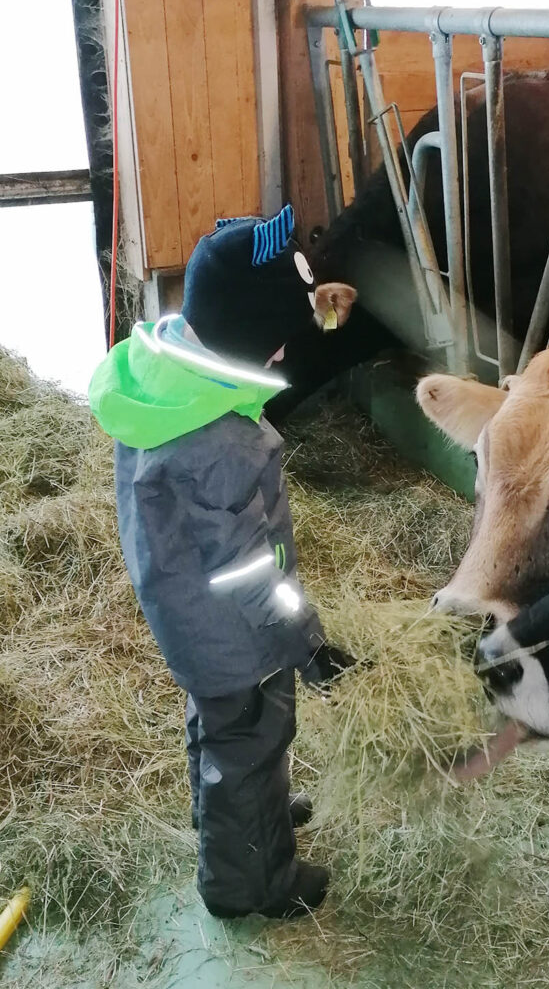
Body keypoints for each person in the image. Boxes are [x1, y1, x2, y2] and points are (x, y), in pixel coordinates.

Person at [89, 205, 356, 919]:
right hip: (233, 635)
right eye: (274, 346)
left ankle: (242, 817)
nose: (280, 358)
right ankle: (251, 883)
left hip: (185, 611)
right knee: (254, 737)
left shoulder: (161, 377)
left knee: (220, 731)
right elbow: (251, 574)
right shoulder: (222, 445)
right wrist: (308, 646)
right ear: (241, 340)